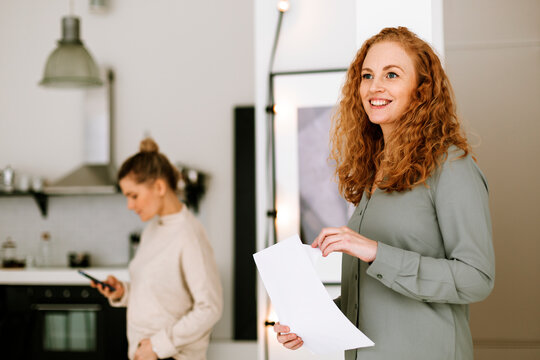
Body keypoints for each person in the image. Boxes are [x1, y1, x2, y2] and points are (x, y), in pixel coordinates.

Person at [274, 26, 495, 360]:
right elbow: (374, 297)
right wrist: (310, 324)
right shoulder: (373, 171)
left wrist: (376, 252)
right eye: (367, 75)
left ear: (421, 90)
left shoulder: (450, 165)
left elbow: (477, 279)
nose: (374, 87)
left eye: (391, 75)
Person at [92, 138, 223, 360]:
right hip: (145, 353)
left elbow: (209, 308)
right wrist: (124, 292)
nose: (129, 205)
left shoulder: (189, 234)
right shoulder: (152, 230)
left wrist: (158, 345)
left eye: (134, 195)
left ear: (160, 187)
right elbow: (161, 294)